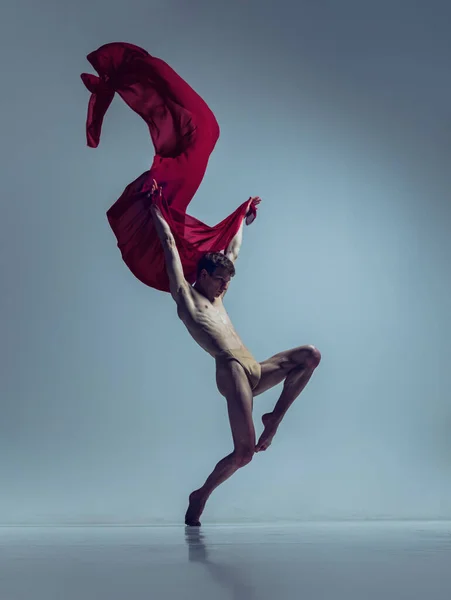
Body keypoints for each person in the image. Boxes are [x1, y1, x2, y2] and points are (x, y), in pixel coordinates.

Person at [149, 180, 321, 527]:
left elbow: (233, 248)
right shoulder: (185, 296)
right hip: (232, 371)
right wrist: (155, 207)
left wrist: (243, 215)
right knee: (244, 454)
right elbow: (168, 243)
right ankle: (200, 496)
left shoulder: (218, 297)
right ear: (203, 275)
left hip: (255, 368)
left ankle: (274, 418)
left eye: (228, 281)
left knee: (310, 355)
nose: (224, 287)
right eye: (219, 280)